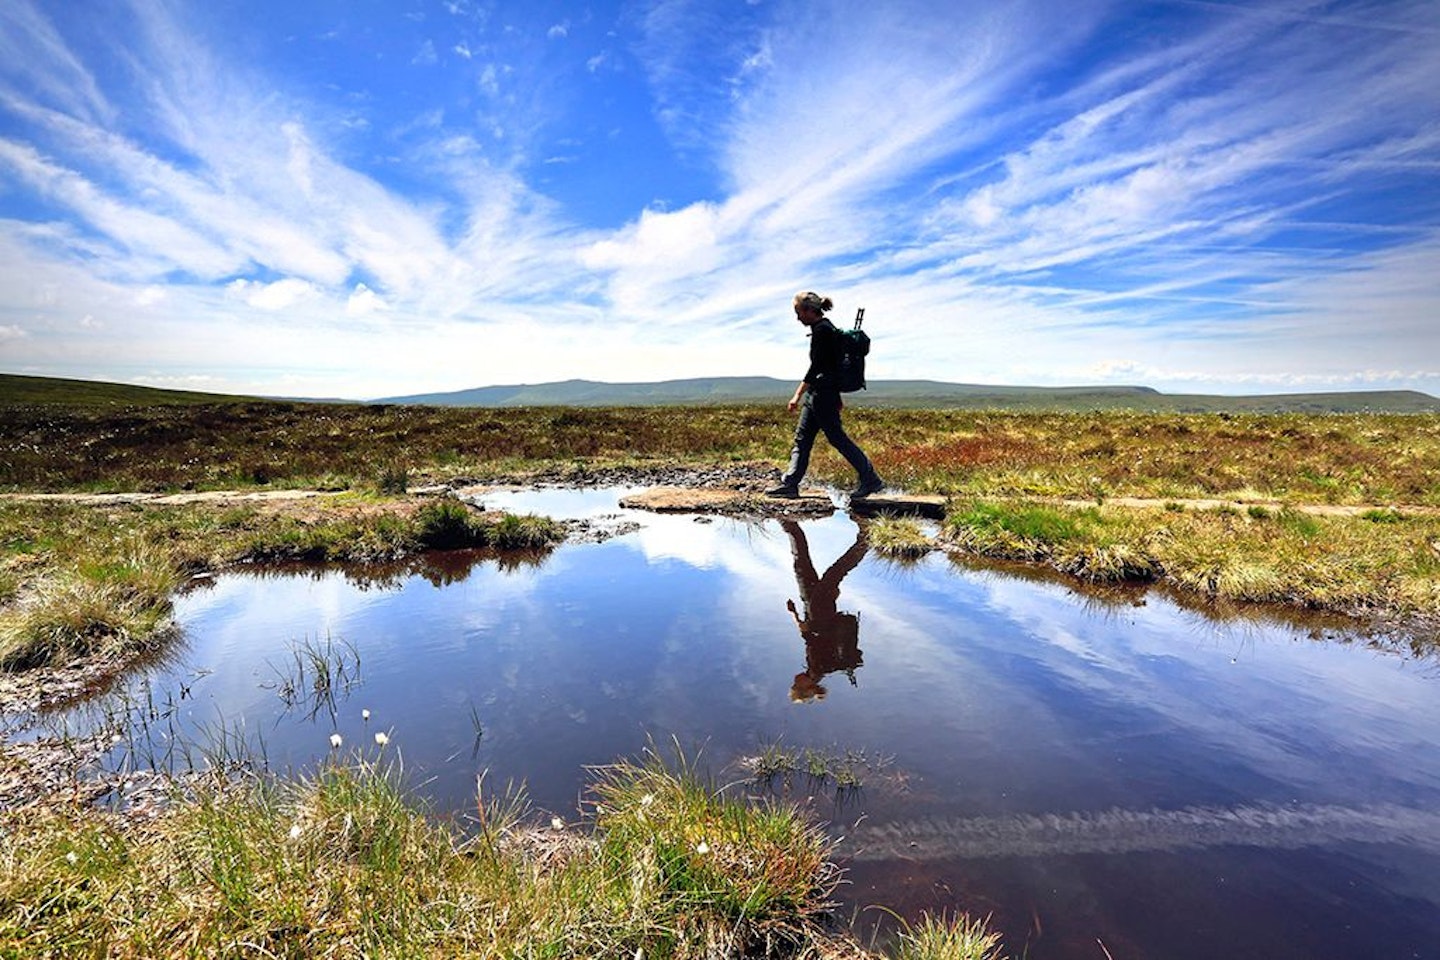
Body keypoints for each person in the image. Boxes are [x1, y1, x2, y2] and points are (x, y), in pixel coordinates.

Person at [766, 291, 884, 500]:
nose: (797, 317)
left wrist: (797, 395)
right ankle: (790, 484)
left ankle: (871, 479)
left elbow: (817, 367)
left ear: (810, 310)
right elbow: (831, 367)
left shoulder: (822, 331)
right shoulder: (825, 329)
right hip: (820, 394)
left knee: (837, 438)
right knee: (802, 440)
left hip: (821, 395)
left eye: (798, 312)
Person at [780, 519, 867, 702]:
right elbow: (810, 636)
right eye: (796, 686)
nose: (794, 681)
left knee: (801, 565)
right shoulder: (820, 667)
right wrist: (795, 615)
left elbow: (808, 635)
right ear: (807, 686)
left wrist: (796, 613)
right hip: (819, 612)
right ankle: (865, 541)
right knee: (834, 574)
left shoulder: (815, 669)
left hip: (813, 610)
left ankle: (790, 525)